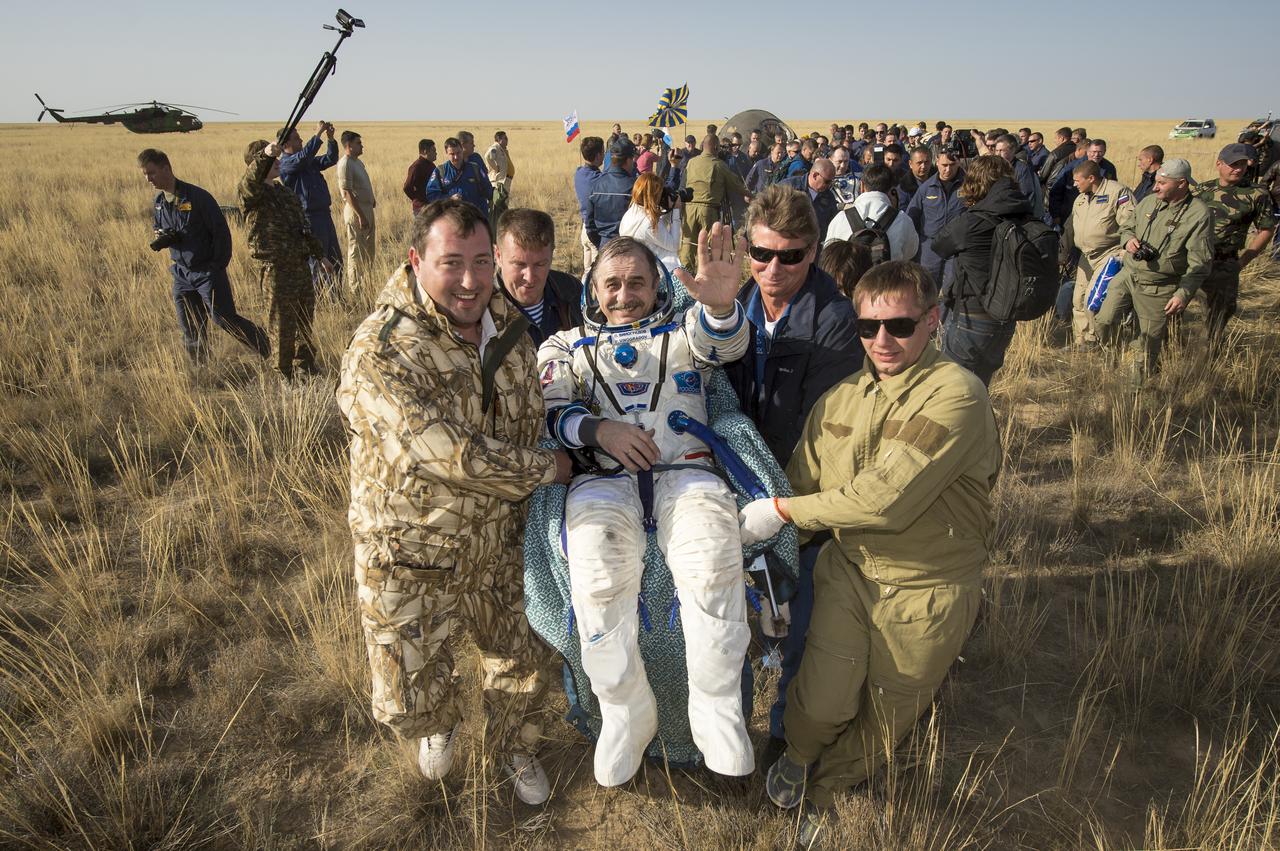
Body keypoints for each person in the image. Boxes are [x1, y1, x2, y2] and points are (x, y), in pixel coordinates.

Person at [751, 260, 1000, 847]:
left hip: (927, 589)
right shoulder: (839, 400)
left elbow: (883, 500)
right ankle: (801, 756)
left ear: (932, 321)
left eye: (899, 325)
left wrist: (780, 513)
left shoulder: (957, 395)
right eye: (867, 327)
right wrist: (765, 570)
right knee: (820, 702)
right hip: (849, 574)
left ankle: (828, 790)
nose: (882, 341)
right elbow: (802, 482)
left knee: (886, 718)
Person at [336, 198, 573, 807]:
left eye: (481, 262)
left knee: (522, 656)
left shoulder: (508, 326)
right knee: (410, 686)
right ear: (416, 261)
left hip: (500, 538)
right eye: (451, 263)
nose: (470, 281)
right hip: (416, 548)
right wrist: (549, 468)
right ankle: (438, 724)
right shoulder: (381, 350)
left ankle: (513, 745)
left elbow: (528, 416)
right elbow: (448, 454)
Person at [537, 230, 754, 787]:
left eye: (636, 282)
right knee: (597, 573)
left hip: (686, 473)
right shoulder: (565, 346)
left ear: (657, 287)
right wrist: (600, 430)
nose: (624, 294)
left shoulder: (685, 331)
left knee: (712, 563)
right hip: (603, 478)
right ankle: (625, 710)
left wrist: (721, 306)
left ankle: (717, 707)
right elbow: (552, 413)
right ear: (592, 289)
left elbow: (725, 345)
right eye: (611, 284)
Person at [138, 148, 270, 365]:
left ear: (166, 169)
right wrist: (162, 236)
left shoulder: (197, 197)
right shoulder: (160, 202)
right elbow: (158, 227)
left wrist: (216, 266)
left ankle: (268, 346)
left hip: (207, 271)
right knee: (190, 325)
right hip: (181, 273)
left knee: (223, 318)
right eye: (145, 174)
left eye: (151, 173)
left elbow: (221, 232)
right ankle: (200, 368)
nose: (148, 179)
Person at [1094, 159, 1213, 384]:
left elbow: (1200, 263)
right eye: (1155, 182)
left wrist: (1183, 294)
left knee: (1149, 343)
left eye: (1162, 183)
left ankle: (1138, 389)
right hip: (1128, 275)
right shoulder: (1149, 202)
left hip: (1159, 286)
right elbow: (1127, 226)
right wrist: (1128, 240)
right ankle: (1114, 353)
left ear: (1182, 183)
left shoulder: (1198, 214)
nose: (1155, 187)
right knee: (1104, 319)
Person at [238, 139, 333, 380]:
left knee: (304, 320)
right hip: (275, 268)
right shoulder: (252, 194)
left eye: (276, 158)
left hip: (300, 265)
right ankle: (283, 373)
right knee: (281, 324)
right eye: (272, 160)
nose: (277, 162)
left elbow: (303, 228)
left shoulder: (284, 193)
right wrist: (264, 155)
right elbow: (250, 182)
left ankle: (305, 366)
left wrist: (320, 255)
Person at [931, 156, 1028, 386]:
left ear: (975, 183)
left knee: (952, 388)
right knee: (980, 387)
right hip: (1006, 317)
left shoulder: (971, 222)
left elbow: (939, 244)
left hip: (971, 316)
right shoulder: (1025, 215)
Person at [1192, 143, 1277, 350]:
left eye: (1242, 164)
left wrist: (1242, 261)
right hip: (1194, 261)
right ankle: (1169, 353)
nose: (1238, 169)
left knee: (1217, 317)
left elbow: (1266, 229)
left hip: (1225, 263)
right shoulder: (1203, 190)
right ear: (1219, 164)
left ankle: (1205, 361)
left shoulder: (1256, 194)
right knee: (1174, 309)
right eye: (1233, 164)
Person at [1068, 160, 1134, 348]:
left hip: (1109, 254)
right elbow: (1071, 226)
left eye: (1077, 180)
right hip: (1085, 256)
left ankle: (1099, 340)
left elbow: (1130, 224)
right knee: (1078, 299)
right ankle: (1081, 340)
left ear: (1091, 178)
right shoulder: (1080, 198)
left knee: (1093, 299)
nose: (1074, 184)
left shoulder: (1117, 192)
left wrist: (1124, 253)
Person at [493, 208, 583, 345]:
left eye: (540, 264)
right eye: (519, 264)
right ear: (498, 256)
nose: (529, 278)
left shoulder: (571, 291)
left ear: (552, 255)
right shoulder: (480, 311)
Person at [279, 120, 342, 292]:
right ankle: (320, 300)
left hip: (324, 215)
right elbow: (303, 158)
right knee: (318, 263)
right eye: (296, 139)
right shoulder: (286, 164)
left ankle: (337, 297)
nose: (301, 141)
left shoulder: (306, 161)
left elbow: (330, 159)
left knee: (335, 258)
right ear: (285, 144)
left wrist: (330, 139)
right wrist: (318, 134)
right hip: (309, 218)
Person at [825, 164, 920, 263]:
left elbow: (828, 252)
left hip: (851, 272)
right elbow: (911, 252)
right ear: (891, 189)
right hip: (887, 272)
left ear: (861, 186)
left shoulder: (841, 218)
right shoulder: (902, 220)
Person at [681, 135, 748, 271]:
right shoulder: (719, 164)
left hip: (689, 209)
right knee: (710, 247)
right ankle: (706, 274)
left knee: (688, 246)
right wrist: (751, 195)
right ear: (716, 147)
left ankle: (685, 275)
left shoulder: (691, 162)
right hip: (708, 209)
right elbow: (736, 184)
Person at [907, 149, 966, 287]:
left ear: (958, 163)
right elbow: (911, 216)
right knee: (926, 286)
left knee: (951, 287)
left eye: (952, 165)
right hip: (930, 246)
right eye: (944, 165)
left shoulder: (969, 186)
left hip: (956, 247)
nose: (948, 169)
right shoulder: (926, 188)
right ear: (937, 162)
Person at [336, 130, 377, 295]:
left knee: (368, 250)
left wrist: (371, 199)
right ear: (349, 145)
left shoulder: (357, 162)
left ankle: (367, 284)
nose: (362, 146)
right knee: (356, 252)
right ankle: (356, 289)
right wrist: (360, 215)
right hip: (356, 212)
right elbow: (347, 192)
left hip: (367, 209)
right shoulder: (345, 163)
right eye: (358, 143)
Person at [619, 172, 682, 270]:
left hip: (637, 264)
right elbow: (674, 245)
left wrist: (668, 210)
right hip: (656, 269)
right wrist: (676, 210)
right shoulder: (648, 223)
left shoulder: (631, 213)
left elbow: (659, 231)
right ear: (654, 195)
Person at [587, 137, 638, 249]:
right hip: (628, 246)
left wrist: (602, 245)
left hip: (605, 245)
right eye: (633, 159)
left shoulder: (596, 185)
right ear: (628, 160)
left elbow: (590, 226)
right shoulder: (635, 187)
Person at [427, 137, 494, 219]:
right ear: (446, 153)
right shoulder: (440, 171)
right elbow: (432, 195)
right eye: (452, 154)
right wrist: (449, 199)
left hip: (475, 218)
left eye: (458, 153)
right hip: (452, 219)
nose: (456, 157)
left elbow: (488, 191)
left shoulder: (475, 168)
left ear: (462, 150)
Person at [994, 133, 1046, 221]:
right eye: (996, 150)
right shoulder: (994, 167)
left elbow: (1027, 195)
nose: (998, 154)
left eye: (1002, 150)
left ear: (1012, 150)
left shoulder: (1022, 169)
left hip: (1015, 217)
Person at [783, 158, 838, 238]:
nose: (829, 185)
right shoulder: (789, 188)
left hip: (815, 242)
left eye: (832, 182)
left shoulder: (829, 197)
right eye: (827, 181)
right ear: (815, 175)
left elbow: (832, 223)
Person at [575, 136, 605, 272]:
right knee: (597, 272)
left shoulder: (579, 173)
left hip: (584, 228)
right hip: (594, 229)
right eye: (603, 152)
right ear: (598, 155)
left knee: (587, 271)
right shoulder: (598, 179)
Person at [485, 131, 516, 230]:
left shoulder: (503, 150)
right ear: (499, 139)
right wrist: (495, 168)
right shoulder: (495, 147)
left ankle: (501, 226)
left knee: (503, 204)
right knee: (498, 205)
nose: (507, 140)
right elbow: (488, 156)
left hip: (505, 181)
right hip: (499, 182)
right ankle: (496, 227)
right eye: (505, 138)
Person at [403, 139, 437, 215]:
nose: (436, 153)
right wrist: (418, 200)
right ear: (425, 151)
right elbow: (407, 187)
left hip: (432, 206)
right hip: (421, 209)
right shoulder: (417, 166)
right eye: (433, 151)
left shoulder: (431, 165)